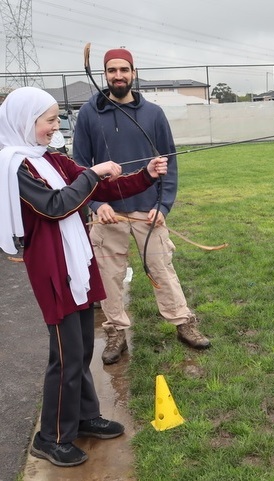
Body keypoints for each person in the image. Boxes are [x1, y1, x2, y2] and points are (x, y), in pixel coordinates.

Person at [0, 86, 168, 466]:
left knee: (82, 348)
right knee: (66, 355)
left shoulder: (53, 160)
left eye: (56, 117)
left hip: (75, 263)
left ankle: (85, 416)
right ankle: (52, 436)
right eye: (49, 119)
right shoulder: (16, 166)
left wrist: (145, 175)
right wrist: (93, 173)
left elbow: (103, 186)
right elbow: (56, 205)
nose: (55, 125)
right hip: (53, 269)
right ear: (27, 122)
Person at [73, 47, 210, 365]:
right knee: (109, 274)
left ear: (134, 73)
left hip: (149, 209)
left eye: (124, 70)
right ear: (104, 75)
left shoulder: (154, 115)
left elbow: (168, 163)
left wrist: (163, 205)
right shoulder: (88, 115)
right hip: (108, 214)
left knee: (162, 268)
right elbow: (79, 167)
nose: (118, 76)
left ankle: (182, 322)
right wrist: (95, 202)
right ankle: (115, 331)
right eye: (111, 70)